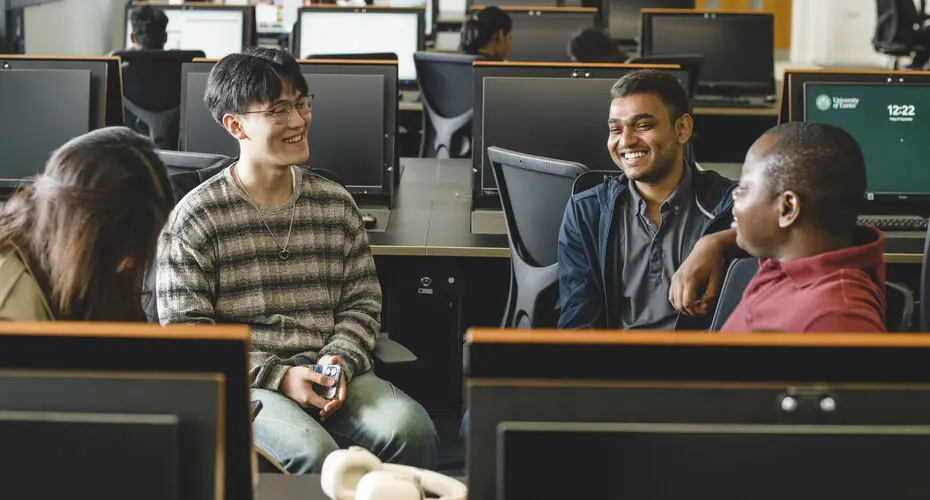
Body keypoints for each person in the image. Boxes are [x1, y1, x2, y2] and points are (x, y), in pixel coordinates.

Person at [155, 47, 439, 474]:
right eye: (278, 110)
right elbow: (188, 334)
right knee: (313, 454)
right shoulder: (196, 218)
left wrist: (338, 360)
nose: (298, 120)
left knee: (413, 431)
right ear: (236, 125)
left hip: (330, 372)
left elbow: (361, 304)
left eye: (301, 103)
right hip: (251, 383)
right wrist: (280, 377)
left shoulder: (334, 204)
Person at [558, 69, 737, 330]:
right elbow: (579, 322)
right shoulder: (586, 212)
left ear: (682, 128)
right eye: (615, 129)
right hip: (614, 354)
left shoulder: (725, 203)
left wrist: (717, 241)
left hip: (697, 354)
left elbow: (787, 227)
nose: (626, 141)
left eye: (642, 126)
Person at [718, 122, 886, 332]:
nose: (734, 196)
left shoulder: (836, 318)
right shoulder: (789, 263)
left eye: (743, 188)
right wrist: (716, 242)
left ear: (787, 208)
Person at [0, 127, 174, 321]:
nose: (128, 263)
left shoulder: (58, 260)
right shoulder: (12, 302)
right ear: (82, 225)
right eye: (126, 249)